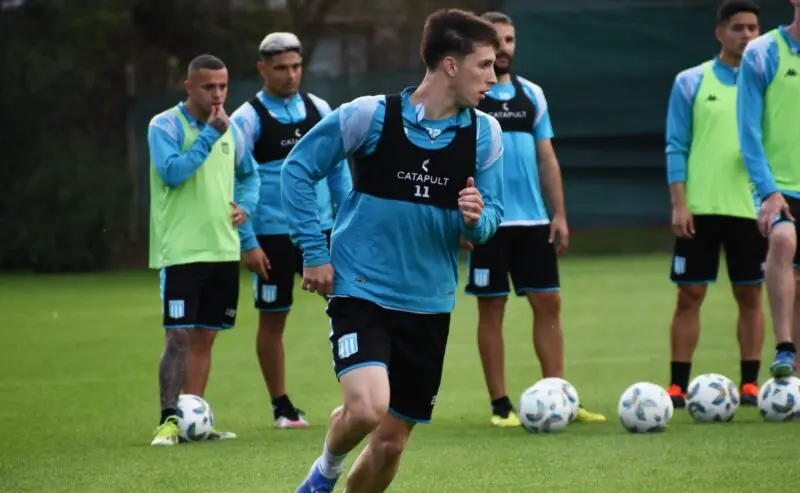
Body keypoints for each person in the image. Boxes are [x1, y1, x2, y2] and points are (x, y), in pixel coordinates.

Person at [283, 9, 504, 492]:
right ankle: (322, 476)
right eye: (485, 65)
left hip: (429, 301)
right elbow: (297, 170)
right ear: (450, 64)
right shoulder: (370, 115)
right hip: (361, 287)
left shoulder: (485, 134)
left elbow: (491, 221)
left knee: (390, 444)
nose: (494, 77)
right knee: (366, 407)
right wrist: (314, 252)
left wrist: (476, 217)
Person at [464, 11, 606, 426]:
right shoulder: (471, 97)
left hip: (533, 222)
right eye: (495, 42)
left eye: (509, 40)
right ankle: (500, 405)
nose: (504, 48)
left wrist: (559, 213)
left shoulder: (532, 95)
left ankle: (560, 395)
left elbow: (547, 158)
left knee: (550, 303)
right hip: (489, 223)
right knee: (492, 309)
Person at [231, 32, 351, 429]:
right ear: (262, 68)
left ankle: (359, 398)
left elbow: (338, 172)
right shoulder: (246, 119)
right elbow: (234, 182)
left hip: (323, 232)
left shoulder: (320, 109)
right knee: (273, 319)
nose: (290, 75)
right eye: (281, 68)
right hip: (271, 236)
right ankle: (281, 406)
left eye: (296, 66)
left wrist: (350, 222)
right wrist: (248, 242)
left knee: (351, 310)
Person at [147, 54, 260, 446]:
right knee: (177, 337)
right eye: (208, 86)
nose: (217, 94)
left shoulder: (232, 130)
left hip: (222, 251)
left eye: (223, 86)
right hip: (181, 251)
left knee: (205, 339)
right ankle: (167, 422)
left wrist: (247, 207)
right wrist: (211, 134)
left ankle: (195, 422)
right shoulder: (164, 125)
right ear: (189, 87)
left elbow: (250, 175)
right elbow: (173, 172)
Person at [664, 0, 764, 408]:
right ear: (720, 32)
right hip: (701, 209)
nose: (747, 35)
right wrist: (679, 203)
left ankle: (751, 385)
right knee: (689, 296)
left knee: (752, 296)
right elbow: (676, 145)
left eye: (754, 28)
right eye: (738, 27)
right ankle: (677, 385)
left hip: (751, 209)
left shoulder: (767, 84)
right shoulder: (691, 81)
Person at [738, 0, 800, 378]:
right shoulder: (762, 52)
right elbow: (749, 129)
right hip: (777, 184)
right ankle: (784, 348)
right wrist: (768, 189)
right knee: (782, 241)